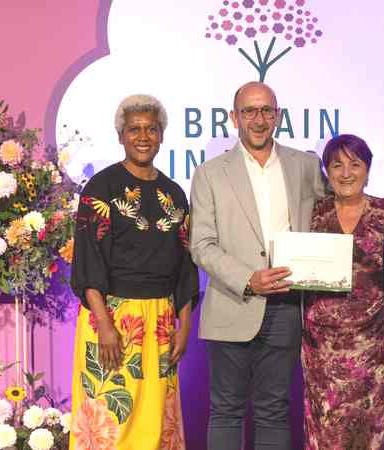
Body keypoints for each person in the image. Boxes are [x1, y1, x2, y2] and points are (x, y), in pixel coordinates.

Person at [189, 81, 326, 450]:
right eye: (249, 111)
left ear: (278, 116)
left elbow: (330, 218)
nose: (259, 119)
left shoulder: (305, 165)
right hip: (232, 303)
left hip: (285, 306)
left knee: (274, 410)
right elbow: (201, 244)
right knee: (226, 410)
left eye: (266, 110)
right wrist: (248, 279)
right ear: (234, 118)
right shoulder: (209, 174)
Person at [69, 94, 199, 449]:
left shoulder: (174, 194)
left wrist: (184, 326)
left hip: (159, 319)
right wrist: (105, 325)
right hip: (110, 315)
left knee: (157, 423)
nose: (143, 136)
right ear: (121, 136)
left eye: (151, 129)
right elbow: (87, 261)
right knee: (111, 420)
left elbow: (185, 266)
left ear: (162, 135)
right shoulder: (101, 188)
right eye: (134, 129)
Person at [302, 134, 384, 450]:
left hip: (376, 348)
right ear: (327, 171)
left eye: (355, 164)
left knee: (372, 432)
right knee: (326, 431)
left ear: (368, 169)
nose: (346, 173)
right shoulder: (310, 215)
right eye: (337, 165)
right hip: (321, 349)